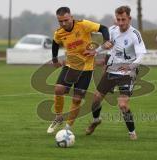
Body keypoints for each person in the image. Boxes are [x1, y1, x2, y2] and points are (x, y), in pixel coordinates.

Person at [84, 6, 147, 140]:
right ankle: (96, 120)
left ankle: (132, 132)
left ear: (129, 18)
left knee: (123, 104)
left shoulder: (135, 34)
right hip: (112, 70)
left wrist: (131, 66)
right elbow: (107, 45)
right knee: (95, 99)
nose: (121, 22)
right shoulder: (112, 30)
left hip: (127, 72)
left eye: (123, 19)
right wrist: (96, 51)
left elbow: (141, 53)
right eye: (118, 19)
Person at [47, 6, 110, 134]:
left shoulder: (83, 25)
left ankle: (67, 129)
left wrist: (107, 40)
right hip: (71, 66)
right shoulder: (59, 32)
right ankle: (58, 117)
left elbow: (103, 28)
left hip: (86, 68)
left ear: (71, 17)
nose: (63, 23)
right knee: (58, 89)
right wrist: (54, 59)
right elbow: (55, 43)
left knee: (76, 99)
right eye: (60, 21)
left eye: (66, 20)